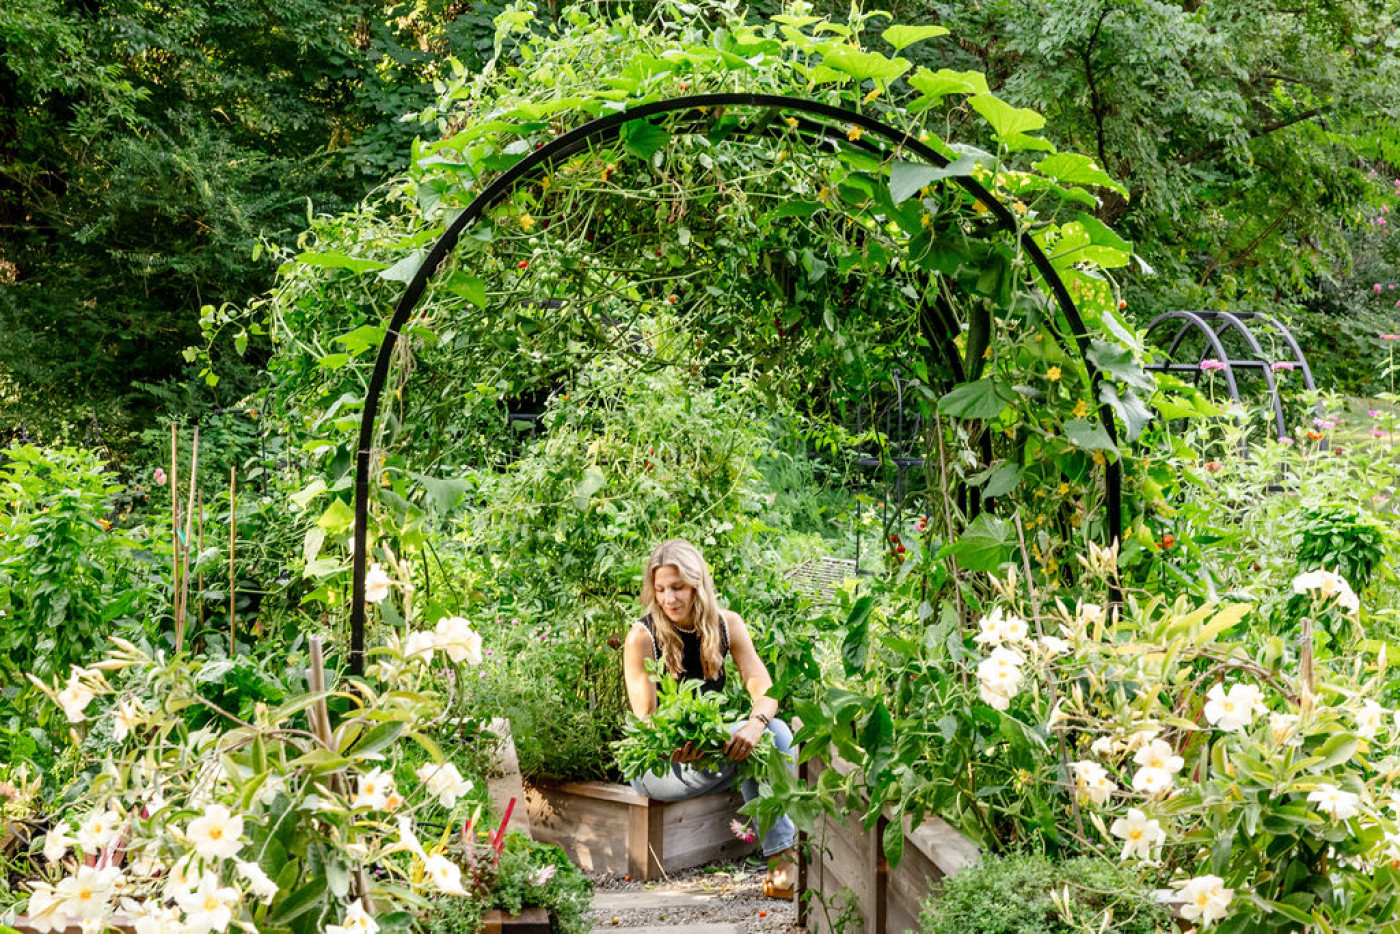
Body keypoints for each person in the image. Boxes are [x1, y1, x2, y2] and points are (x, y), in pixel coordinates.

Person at [622, 538, 797, 898]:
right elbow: (647, 723)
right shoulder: (642, 637)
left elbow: (765, 690)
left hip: (708, 756)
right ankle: (785, 861)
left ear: (697, 584)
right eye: (660, 589)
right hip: (660, 766)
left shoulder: (727, 625)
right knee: (772, 742)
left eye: (678, 587)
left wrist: (753, 725)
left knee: (775, 732)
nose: (669, 599)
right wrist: (673, 746)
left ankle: (783, 862)